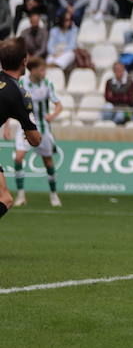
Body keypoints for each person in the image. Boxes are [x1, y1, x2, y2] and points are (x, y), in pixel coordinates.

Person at [10, 55, 62, 208]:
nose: (44, 72)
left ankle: (53, 194)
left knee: (48, 162)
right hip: (25, 126)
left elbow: (59, 105)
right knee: (18, 158)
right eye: (41, 69)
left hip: (43, 127)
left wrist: (52, 115)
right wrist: (7, 125)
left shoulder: (47, 84)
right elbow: (10, 102)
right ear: (32, 70)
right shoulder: (22, 83)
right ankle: (21, 195)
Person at [0, 39, 43, 221]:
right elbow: (34, 140)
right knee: (5, 199)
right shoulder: (19, 93)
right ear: (24, 61)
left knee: (5, 197)